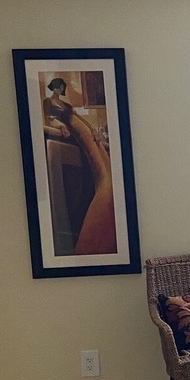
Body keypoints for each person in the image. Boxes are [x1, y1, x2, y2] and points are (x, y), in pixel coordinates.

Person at [42, 77, 116, 255]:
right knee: (106, 181)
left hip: (85, 135)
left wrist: (91, 131)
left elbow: (82, 121)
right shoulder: (49, 102)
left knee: (108, 176)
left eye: (62, 87)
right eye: (59, 86)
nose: (60, 89)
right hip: (74, 133)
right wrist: (62, 126)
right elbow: (53, 119)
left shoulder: (64, 104)